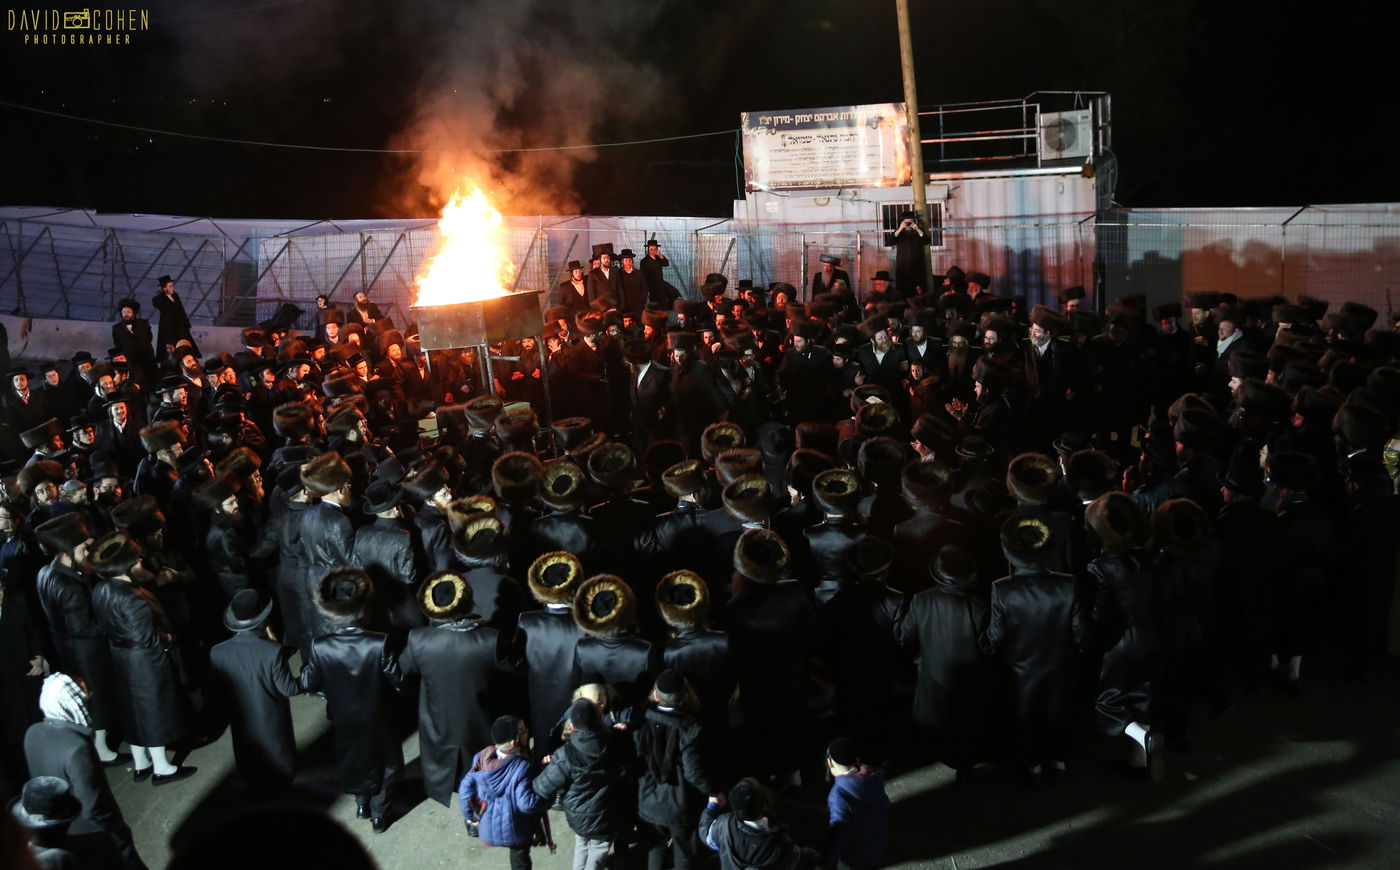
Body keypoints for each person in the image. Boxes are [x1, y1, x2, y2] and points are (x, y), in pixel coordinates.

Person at [297, 567, 405, 833]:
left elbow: (309, 683)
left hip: (343, 716)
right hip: (378, 714)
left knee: (354, 758)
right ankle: (379, 815)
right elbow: (398, 682)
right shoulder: (378, 642)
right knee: (388, 763)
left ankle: (361, 803)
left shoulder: (320, 645)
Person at [87, 531, 196, 785]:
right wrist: (168, 638)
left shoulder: (101, 589)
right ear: (125, 566)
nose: (141, 564)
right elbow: (145, 637)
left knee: (133, 711)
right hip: (145, 662)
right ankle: (162, 768)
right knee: (153, 711)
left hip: (122, 658)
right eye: (136, 561)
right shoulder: (131, 598)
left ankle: (141, 762)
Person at [400, 572, 510, 808]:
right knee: (482, 766)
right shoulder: (490, 638)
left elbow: (404, 669)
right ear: (467, 600)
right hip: (481, 719)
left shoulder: (419, 640)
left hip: (440, 721)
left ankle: (467, 804)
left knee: (454, 768)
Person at [24, 673, 147, 870]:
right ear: (71, 701)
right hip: (95, 839)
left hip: (61, 834)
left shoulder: (33, 733)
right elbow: (94, 808)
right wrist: (119, 837)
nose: (89, 696)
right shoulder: (77, 747)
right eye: (83, 693)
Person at [205, 589, 300, 795]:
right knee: (280, 773)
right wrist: (309, 676)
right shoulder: (272, 652)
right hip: (272, 722)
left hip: (241, 721)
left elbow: (218, 692)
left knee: (251, 766)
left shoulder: (218, 652)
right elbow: (289, 688)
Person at [532, 697, 632, 870]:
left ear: (574, 726)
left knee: (582, 843)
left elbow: (541, 787)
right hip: (607, 813)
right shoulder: (617, 740)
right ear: (599, 718)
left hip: (578, 815)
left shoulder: (565, 754)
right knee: (598, 849)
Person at [633, 670, 719, 870]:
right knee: (685, 853)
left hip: (647, 801)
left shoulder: (641, 722)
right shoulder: (690, 729)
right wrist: (714, 792)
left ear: (655, 695)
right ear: (686, 696)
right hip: (679, 805)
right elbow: (693, 771)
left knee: (655, 847)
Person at [459, 715, 551, 870]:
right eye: (523, 731)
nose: (527, 732)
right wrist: (548, 797)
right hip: (516, 828)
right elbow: (527, 804)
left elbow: (465, 791)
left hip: (489, 826)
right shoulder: (522, 767)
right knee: (520, 860)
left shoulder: (480, 758)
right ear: (515, 742)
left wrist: (470, 817)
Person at [699, 778, 818, 870]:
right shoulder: (779, 843)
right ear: (764, 805)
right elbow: (798, 859)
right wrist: (814, 856)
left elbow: (706, 833)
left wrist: (712, 807)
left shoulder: (724, 826)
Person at [822, 737, 889, 870]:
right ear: (856, 759)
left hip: (854, 857)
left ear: (830, 763)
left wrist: (823, 865)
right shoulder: (873, 775)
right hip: (877, 846)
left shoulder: (838, 795)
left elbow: (838, 833)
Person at [150, 276, 198, 364]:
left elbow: (181, 309)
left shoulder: (175, 295)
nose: (173, 288)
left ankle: (186, 360)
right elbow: (156, 303)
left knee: (183, 344)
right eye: (170, 286)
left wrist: (187, 324)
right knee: (169, 348)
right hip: (168, 327)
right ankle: (169, 363)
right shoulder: (159, 298)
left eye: (173, 286)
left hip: (179, 325)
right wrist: (161, 293)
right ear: (164, 288)